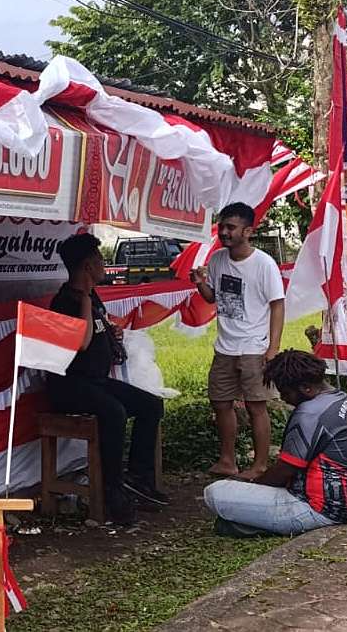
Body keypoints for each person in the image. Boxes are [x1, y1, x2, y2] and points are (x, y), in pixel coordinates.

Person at [47, 233, 167, 525]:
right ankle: (112, 491)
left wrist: (111, 330)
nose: (104, 265)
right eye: (99, 260)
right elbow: (82, 342)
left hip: (96, 381)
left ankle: (138, 476)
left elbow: (98, 329)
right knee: (115, 413)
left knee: (151, 405)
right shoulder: (65, 300)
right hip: (69, 385)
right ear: (88, 266)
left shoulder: (92, 297)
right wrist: (87, 305)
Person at [203, 349, 347, 536]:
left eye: (285, 392)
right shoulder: (342, 399)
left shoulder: (309, 413)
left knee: (215, 493)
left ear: (305, 388)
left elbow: (285, 470)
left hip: (317, 508)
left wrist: (254, 486)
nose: (283, 398)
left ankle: (262, 524)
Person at [189, 202, 284, 479]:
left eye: (231, 227)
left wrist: (273, 349)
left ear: (248, 231)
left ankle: (260, 464)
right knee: (220, 402)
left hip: (254, 347)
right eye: (222, 227)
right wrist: (200, 283)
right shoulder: (217, 260)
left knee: (257, 406)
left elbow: (277, 305)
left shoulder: (264, 264)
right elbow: (213, 299)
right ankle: (227, 460)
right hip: (224, 347)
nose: (225, 232)